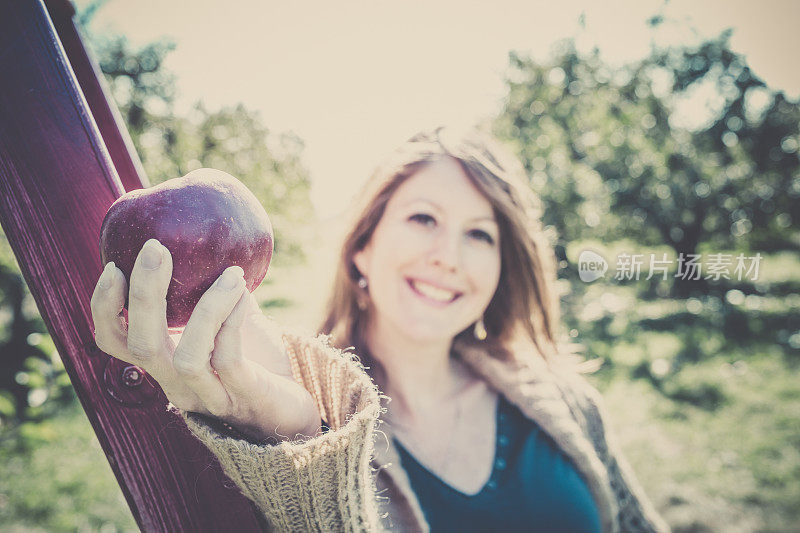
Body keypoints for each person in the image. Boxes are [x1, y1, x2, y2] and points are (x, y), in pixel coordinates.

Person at [91, 126, 669, 532]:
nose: (449, 256)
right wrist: (297, 438)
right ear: (363, 247)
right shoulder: (296, 426)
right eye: (423, 219)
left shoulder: (566, 405)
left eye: (480, 234)